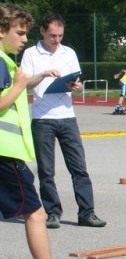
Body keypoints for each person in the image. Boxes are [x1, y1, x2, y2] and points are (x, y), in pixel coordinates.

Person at [0, 3, 94, 259]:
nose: (24, 38)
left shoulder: (6, 61)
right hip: (5, 154)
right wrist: (19, 85)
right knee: (36, 214)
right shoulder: (3, 63)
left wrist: (32, 78)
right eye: (19, 32)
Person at [21, 14, 106, 229]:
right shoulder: (30, 53)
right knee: (46, 170)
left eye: (60, 36)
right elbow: (26, 84)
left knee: (79, 168)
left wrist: (78, 87)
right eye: (52, 35)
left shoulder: (69, 53)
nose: (56, 40)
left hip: (67, 117)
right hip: (42, 119)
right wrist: (43, 74)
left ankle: (87, 213)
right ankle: (53, 213)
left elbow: (78, 84)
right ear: (42, 31)